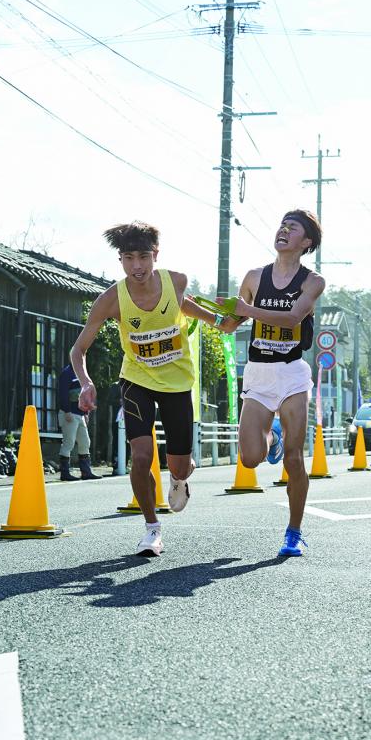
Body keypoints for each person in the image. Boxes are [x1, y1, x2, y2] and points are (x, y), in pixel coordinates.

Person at [69, 222, 215, 557]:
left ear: (155, 255)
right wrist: (86, 383)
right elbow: (78, 350)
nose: (137, 266)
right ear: (120, 260)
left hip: (177, 383)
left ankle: (181, 477)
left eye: (144, 257)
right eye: (129, 258)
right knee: (141, 456)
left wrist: (219, 320)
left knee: (179, 466)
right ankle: (152, 529)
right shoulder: (111, 300)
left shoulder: (176, 281)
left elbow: (183, 304)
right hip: (137, 380)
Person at [217, 209, 325, 557]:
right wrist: (194, 308)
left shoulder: (312, 281)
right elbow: (229, 325)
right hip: (259, 374)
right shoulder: (253, 277)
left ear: (306, 242)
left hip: (292, 374)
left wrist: (246, 311)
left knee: (294, 459)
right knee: (250, 459)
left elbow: (293, 319)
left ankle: (294, 533)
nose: (283, 230)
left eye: (292, 228)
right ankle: (272, 435)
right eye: (282, 225)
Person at [56, 363, 101, 481]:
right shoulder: (66, 373)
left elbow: (85, 394)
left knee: (85, 442)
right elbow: (63, 393)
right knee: (68, 442)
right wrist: (66, 411)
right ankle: (65, 473)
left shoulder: (82, 373)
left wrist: (86, 413)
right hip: (70, 413)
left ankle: (86, 472)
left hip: (80, 414)